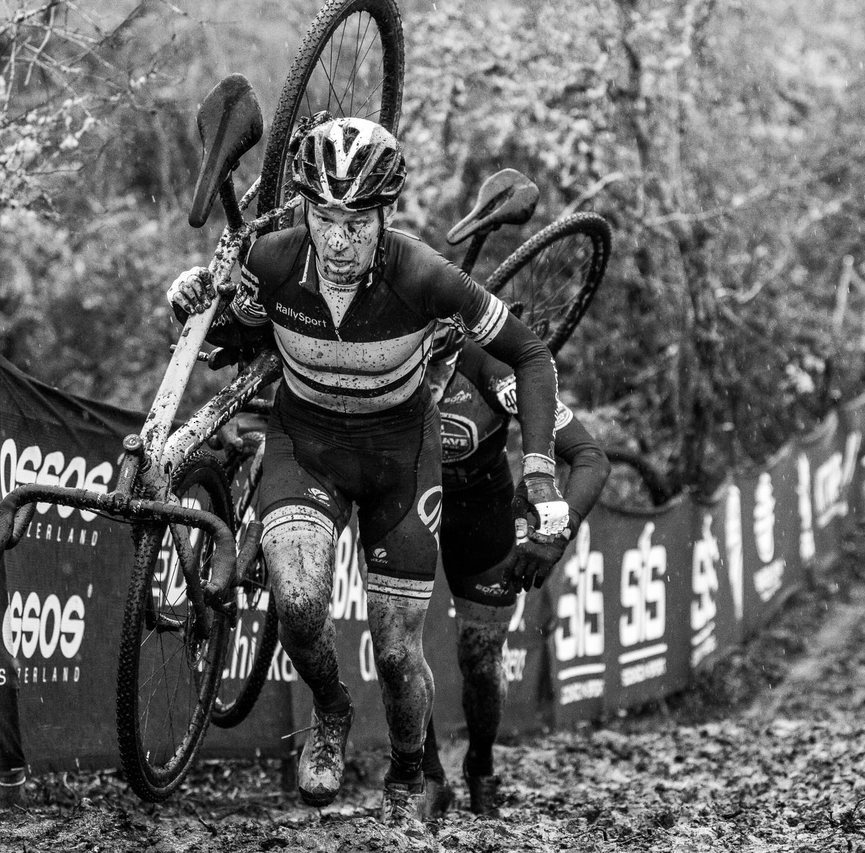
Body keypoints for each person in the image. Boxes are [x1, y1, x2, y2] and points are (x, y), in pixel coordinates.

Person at [166, 115, 571, 828]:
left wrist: (539, 477)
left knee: (395, 649)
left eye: (358, 219)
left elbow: (532, 354)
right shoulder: (271, 259)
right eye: (325, 216)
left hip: (399, 460)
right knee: (295, 602)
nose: (340, 237)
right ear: (307, 211)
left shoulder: (424, 274)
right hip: (307, 445)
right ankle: (330, 706)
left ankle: (409, 771)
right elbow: (231, 339)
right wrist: (193, 303)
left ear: (387, 213)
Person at [419, 325, 611, 818]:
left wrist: (557, 532)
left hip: (480, 514)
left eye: (439, 363)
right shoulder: (374, 354)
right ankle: (427, 775)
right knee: (395, 640)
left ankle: (479, 765)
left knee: (480, 657)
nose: (432, 379)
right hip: (404, 508)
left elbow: (590, 458)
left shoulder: (491, 371)